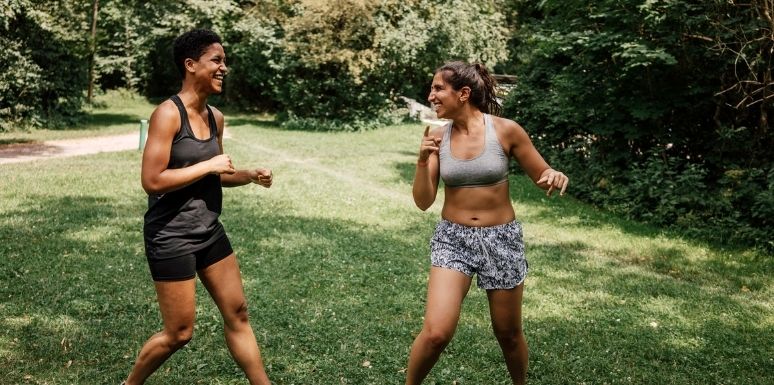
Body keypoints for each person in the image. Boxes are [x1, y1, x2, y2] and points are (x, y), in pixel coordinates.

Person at [124, 29, 273, 385]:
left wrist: (248, 174)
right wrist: (208, 165)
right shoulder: (167, 114)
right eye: (216, 61)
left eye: (225, 61)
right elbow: (153, 180)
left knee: (237, 312)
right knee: (179, 333)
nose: (225, 68)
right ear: (191, 65)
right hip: (171, 234)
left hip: (208, 229)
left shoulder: (215, 117)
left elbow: (215, 175)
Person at [406, 61, 568, 385]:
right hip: (453, 239)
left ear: (463, 93)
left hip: (502, 239)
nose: (431, 94)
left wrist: (553, 175)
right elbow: (423, 201)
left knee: (508, 334)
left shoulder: (506, 130)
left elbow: (542, 174)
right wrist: (423, 160)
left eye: (438, 88)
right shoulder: (437, 137)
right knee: (436, 332)